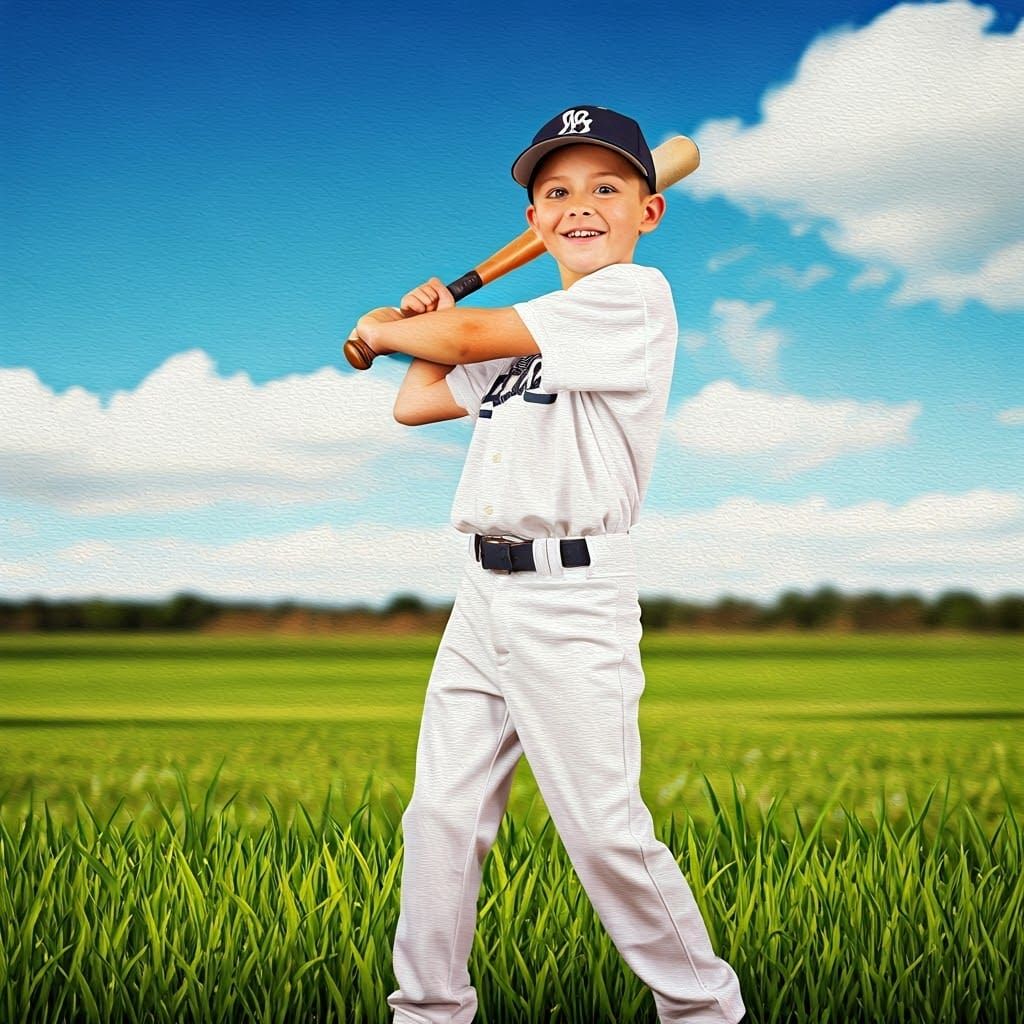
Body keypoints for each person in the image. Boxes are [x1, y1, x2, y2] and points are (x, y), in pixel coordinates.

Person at [353, 105, 746, 1024]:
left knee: (604, 831)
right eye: (557, 192)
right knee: (442, 816)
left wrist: (390, 323)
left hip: (572, 596)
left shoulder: (631, 302)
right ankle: (429, 1011)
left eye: (608, 187)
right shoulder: (533, 323)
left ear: (649, 211)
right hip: (482, 594)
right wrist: (425, 320)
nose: (580, 205)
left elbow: (449, 347)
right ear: (533, 222)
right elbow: (419, 401)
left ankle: (704, 1013)